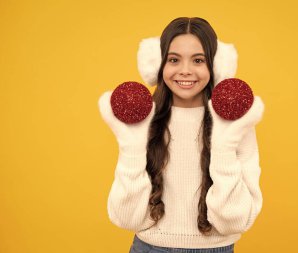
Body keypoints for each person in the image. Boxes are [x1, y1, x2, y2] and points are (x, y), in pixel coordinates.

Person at [98, 17, 265, 253]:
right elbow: (127, 219)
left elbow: (233, 222)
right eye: (174, 59)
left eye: (198, 60)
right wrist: (131, 147)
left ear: (216, 67)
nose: (185, 71)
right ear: (158, 65)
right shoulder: (143, 119)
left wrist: (224, 146)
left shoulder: (236, 123)